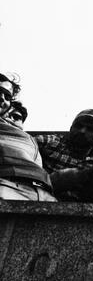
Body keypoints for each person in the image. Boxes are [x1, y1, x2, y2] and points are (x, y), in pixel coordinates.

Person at [35, 108, 93, 201]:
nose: (82, 131)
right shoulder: (49, 142)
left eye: (90, 129)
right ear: (70, 128)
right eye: (78, 126)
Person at [0, 73, 55, 201]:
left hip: (44, 194)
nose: (2, 98)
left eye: (7, 96)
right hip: (6, 189)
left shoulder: (29, 139)